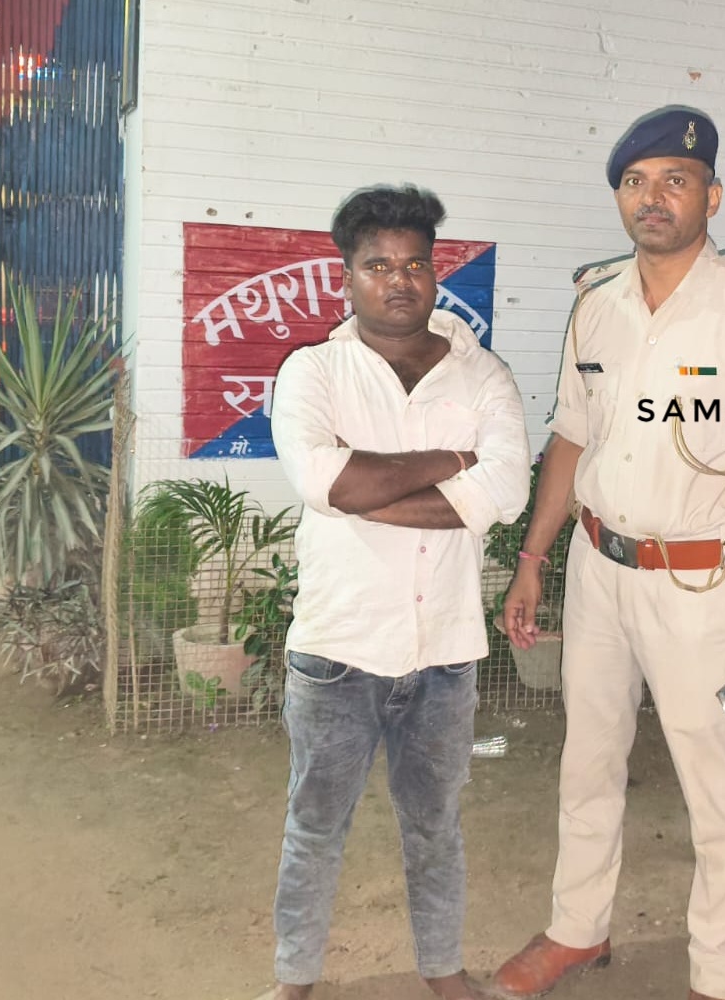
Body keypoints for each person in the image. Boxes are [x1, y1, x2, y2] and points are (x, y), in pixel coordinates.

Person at [490, 106, 725, 1000]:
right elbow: (571, 438)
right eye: (635, 182)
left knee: (714, 784)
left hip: (698, 585)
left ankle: (716, 977)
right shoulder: (594, 302)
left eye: (675, 181)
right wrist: (533, 559)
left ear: (710, 196)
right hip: (597, 570)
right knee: (588, 758)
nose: (653, 198)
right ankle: (577, 929)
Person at [263, 183, 531, 1000]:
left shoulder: (482, 375)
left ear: (435, 272)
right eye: (378, 265)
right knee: (315, 827)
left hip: (445, 655)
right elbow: (324, 481)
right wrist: (452, 464)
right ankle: (295, 979)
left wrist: (368, 488)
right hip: (337, 651)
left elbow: (507, 490)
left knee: (436, 828)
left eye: (415, 264)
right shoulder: (313, 371)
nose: (399, 280)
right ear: (347, 276)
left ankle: (443, 971)